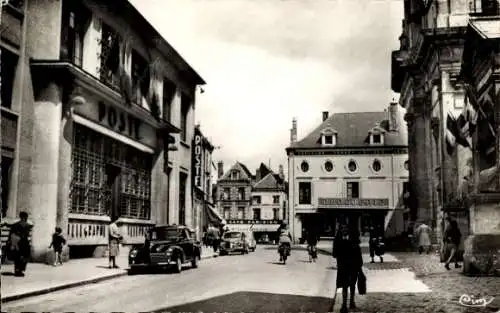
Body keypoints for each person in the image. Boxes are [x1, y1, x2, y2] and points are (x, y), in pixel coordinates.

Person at [332, 218, 363, 313]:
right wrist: (359, 264)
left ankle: (344, 305)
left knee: (345, 285)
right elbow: (358, 251)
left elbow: (334, 254)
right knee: (352, 284)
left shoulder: (338, 239)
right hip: (352, 265)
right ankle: (351, 302)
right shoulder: (354, 238)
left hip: (343, 265)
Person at [7, 211, 32, 277]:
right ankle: (20, 270)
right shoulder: (27, 225)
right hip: (22, 243)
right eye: (26, 217)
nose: (26, 218)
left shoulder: (16, 225)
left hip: (19, 243)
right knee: (23, 257)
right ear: (24, 217)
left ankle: (18, 270)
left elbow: (11, 235)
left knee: (18, 257)